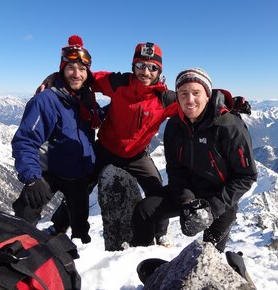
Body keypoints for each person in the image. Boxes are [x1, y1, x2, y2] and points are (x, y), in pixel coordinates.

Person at [38, 42, 178, 247]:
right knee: (80, 187)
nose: (146, 72)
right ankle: (59, 225)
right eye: (140, 65)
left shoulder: (165, 99)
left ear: (159, 71)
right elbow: (85, 77)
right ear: (133, 66)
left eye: (152, 67)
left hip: (137, 155)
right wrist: (55, 77)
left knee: (156, 190)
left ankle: (160, 232)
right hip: (105, 149)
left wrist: (226, 102)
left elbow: (193, 102)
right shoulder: (118, 82)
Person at [130, 68, 257, 252]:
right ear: (177, 96)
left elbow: (246, 175)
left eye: (196, 93)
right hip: (189, 191)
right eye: (183, 93)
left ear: (207, 95)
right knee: (144, 210)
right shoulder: (174, 125)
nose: (189, 100)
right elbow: (175, 169)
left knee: (207, 254)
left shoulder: (229, 126)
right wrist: (186, 201)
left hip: (220, 198)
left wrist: (212, 209)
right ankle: (141, 259)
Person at [11, 35, 102, 244]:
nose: (76, 74)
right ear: (62, 69)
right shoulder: (46, 100)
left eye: (82, 69)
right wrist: (31, 177)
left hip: (78, 175)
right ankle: (15, 252)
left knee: (80, 227)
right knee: (26, 211)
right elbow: (25, 140)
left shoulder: (86, 100)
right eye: (71, 67)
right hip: (48, 172)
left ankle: (77, 257)